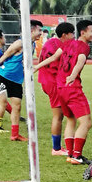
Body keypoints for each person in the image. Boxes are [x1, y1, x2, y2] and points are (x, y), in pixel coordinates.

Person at [0, 18, 43, 142]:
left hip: (17, 79)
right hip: (5, 75)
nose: (41, 33)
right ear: (31, 30)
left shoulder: (32, 44)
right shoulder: (19, 43)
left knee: (17, 106)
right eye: (39, 30)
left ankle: (15, 135)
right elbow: (5, 55)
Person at [58, 19, 92, 165]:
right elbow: (81, 58)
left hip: (60, 87)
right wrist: (73, 75)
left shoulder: (68, 44)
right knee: (86, 123)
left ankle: (70, 154)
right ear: (83, 32)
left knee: (71, 120)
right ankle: (76, 156)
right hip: (72, 88)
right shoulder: (84, 46)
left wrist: (37, 67)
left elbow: (55, 56)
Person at [37, 22, 75, 154]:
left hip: (45, 80)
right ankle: (56, 148)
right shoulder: (62, 46)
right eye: (72, 33)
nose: (73, 36)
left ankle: (58, 147)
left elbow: (42, 58)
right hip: (53, 82)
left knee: (61, 114)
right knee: (58, 116)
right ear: (65, 35)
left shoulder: (50, 42)